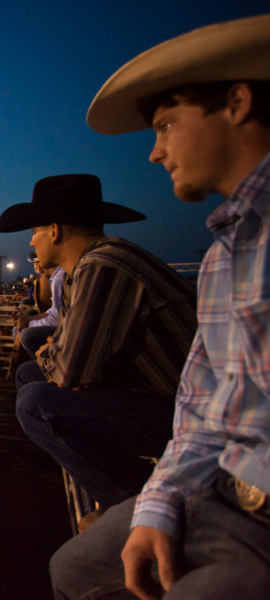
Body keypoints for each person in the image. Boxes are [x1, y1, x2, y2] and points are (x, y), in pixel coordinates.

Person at [51, 14, 270, 600]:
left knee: (38, 397)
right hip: (220, 483)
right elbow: (201, 405)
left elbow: (73, 369)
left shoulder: (110, 264)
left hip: (247, 510)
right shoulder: (227, 252)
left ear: (238, 103)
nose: (154, 152)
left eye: (167, 125)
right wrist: (158, 504)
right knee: (71, 570)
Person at [0, 173, 197, 509]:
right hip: (154, 394)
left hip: (188, 415)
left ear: (56, 230)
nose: (32, 242)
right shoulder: (93, 264)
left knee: (35, 403)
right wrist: (56, 353)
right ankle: (98, 476)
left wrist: (55, 355)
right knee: (28, 375)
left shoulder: (102, 265)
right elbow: (64, 347)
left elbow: (72, 370)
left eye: (35, 231)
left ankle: (136, 503)